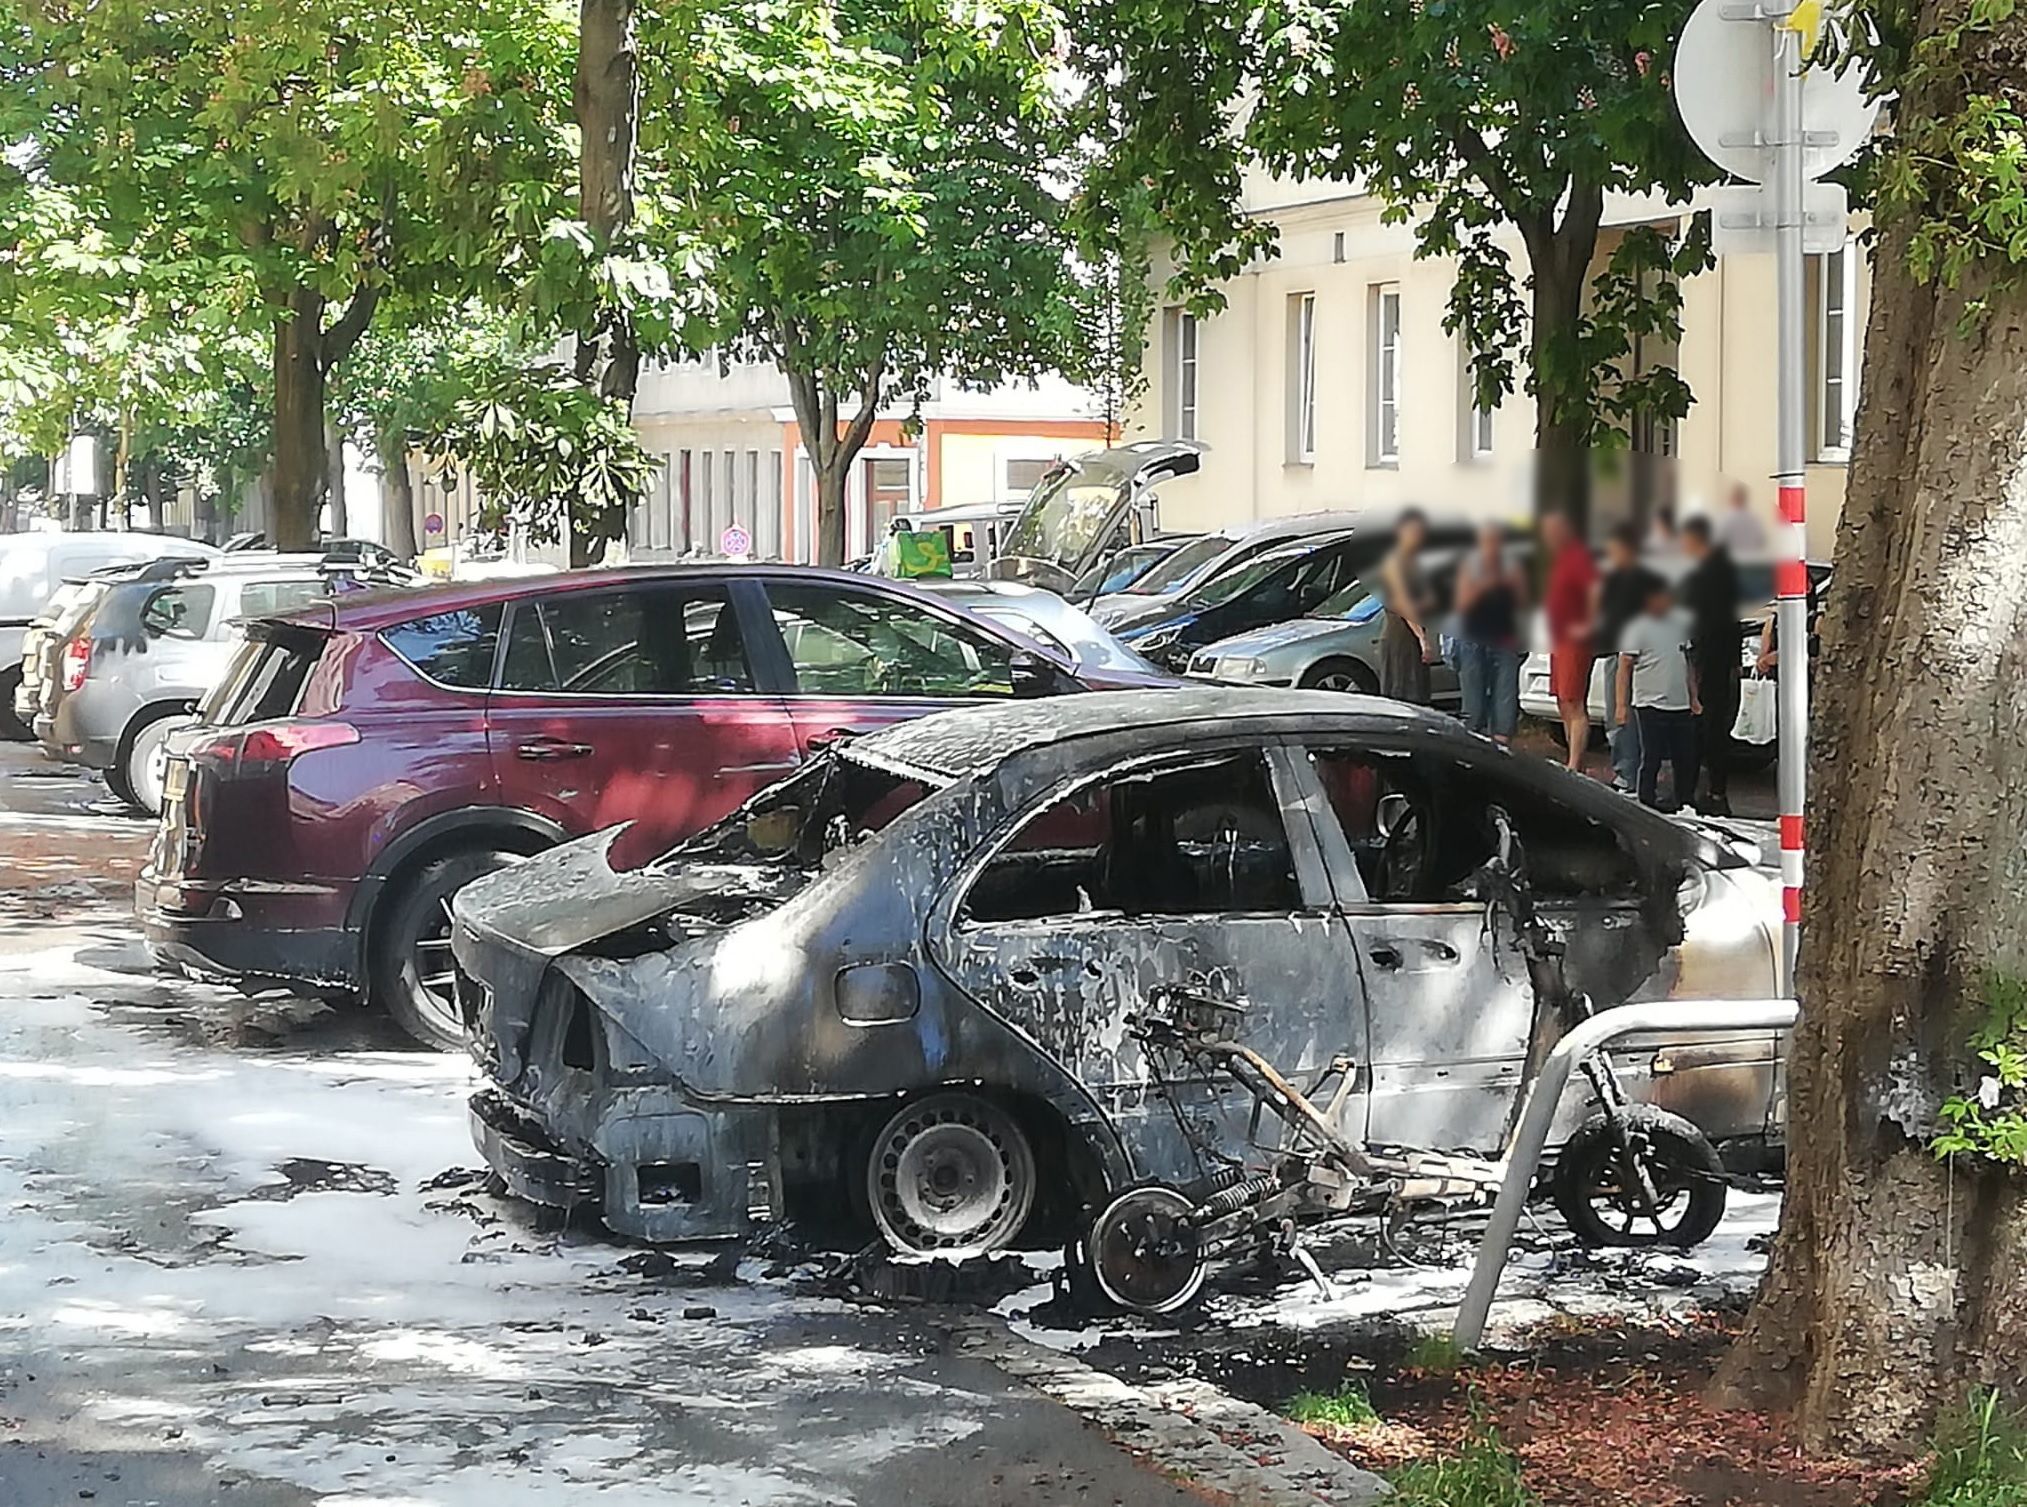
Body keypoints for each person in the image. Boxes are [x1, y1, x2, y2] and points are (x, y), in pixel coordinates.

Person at [1616, 576, 1701, 812]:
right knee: (1651, 756)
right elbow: (1624, 666)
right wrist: (1621, 705)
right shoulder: (1637, 627)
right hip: (1650, 702)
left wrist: (1693, 697)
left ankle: (1684, 800)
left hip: (1680, 703)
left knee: (1684, 757)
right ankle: (1646, 800)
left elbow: (1688, 662)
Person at [1679, 516, 1742, 816]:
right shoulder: (1725, 576)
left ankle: (1703, 793)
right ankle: (1716, 791)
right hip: (1723, 662)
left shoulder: (1703, 578)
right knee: (1717, 732)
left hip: (1708, 662)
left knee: (1704, 729)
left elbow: (1697, 625)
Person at [1597, 524, 1663, 791]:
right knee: (1621, 714)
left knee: (1623, 714)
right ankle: (1629, 772)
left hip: (1633, 653)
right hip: (1621, 650)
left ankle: (1628, 775)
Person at [1452, 520, 1526, 743]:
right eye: (1487, 542)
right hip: (1473, 640)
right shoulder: (1469, 566)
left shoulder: (1512, 566)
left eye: (1497, 541)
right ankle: (1472, 758)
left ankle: (1501, 755)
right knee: (1473, 708)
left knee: (1504, 706)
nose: (1492, 547)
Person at [1541, 509, 1597, 772]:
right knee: (1562, 700)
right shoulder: (1556, 559)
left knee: (1574, 700)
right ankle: (1572, 760)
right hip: (1558, 637)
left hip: (1575, 638)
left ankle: (1575, 764)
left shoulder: (1577, 556)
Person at [1378, 509, 1437, 705]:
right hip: (1400, 638)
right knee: (1403, 694)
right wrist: (1422, 638)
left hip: (1412, 635)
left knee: (1417, 693)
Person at [1714, 482, 1767, 557]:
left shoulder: (1726, 519)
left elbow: (1718, 542)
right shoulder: (1754, 519)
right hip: (1753, 561)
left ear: (1732, 498)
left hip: (1732, 562)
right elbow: (1761, 541)